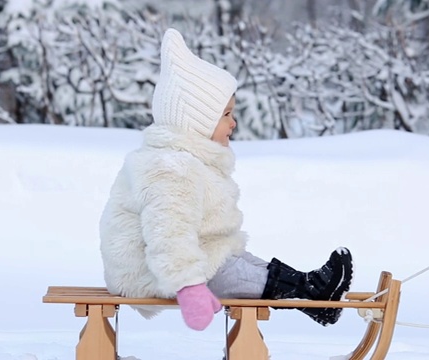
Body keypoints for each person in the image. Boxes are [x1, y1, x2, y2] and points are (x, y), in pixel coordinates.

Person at [99, 28, 353, 331]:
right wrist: (189, 287)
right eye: (226, 114)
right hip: (149, 271)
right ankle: (307, 292)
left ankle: (308, 290)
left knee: (238, 260)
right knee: (229, 269)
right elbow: (168, 233)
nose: (233, 122)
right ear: (197, 122)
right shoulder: (171, 167)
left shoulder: (184, 159)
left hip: (178, 261)